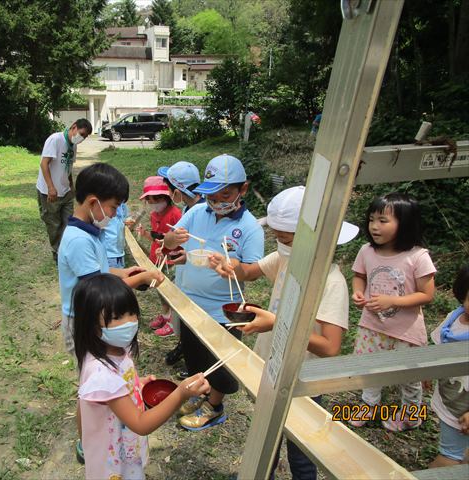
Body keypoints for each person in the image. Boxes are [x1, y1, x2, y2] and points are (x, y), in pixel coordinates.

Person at [212, 186, 358, 479]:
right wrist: (232, 268)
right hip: (275, 366)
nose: (279, 243)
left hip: (303, 378)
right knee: (267, 433)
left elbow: (330, 347)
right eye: (277, 236)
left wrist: (277, 323)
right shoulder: (287, 258)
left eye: (284, 238)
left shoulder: (330, 282)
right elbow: (251, 272)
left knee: (301, 448)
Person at [57, 162, 164, 463]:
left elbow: (101, 273)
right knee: (90, 381)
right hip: (87, 322)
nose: (116, 214)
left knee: (105, 377)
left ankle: (104, 420)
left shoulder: (88, 231)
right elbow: (99, 295)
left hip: (95, 319)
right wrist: (139, 280)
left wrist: (122, 271)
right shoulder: (79, 240)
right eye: (114, 207)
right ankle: (86, 440)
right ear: (93, 203)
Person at [73, 273, 211, 480]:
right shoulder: (101, 374)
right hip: (112, 460)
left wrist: (135, 383)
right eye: (117, 317)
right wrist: (181, 394)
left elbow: (83, 404)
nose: (129, 322)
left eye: (131, 313)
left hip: (121, 443)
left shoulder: (112, 349)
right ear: (91, 324)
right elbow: (141, 423)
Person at [163, 154, 264, 431]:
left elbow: (254, 270)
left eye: (225, 193)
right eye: (211, 194)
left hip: (222, 309)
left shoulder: (249, 228)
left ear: (243, 189)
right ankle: (201, 395)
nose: (217, 201)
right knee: (195, 357)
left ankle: (215, 406)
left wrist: (235, 268)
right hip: (188, 302)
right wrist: (172, 243)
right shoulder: (197, 212)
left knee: (219, 363)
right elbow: (177, 244)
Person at [349, 192, 436, 431]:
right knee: (369, 369)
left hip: (404, 331)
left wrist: (392, 301)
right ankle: (369, 405)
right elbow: (359, 276)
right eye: (371, 220)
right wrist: (358, 292)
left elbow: (427, 295)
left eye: (383, 221)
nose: (374, 227)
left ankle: (411, 415)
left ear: (405, 223)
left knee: (408, 376)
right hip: (372, 326)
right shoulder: (366, 251)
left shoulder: (418, 256)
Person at [157, 161, 204, 367]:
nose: (167, 193)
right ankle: (184, 346)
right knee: (183, 318)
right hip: (186, 272)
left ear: (177, 191)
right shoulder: (188, 207)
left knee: (196, 322)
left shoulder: (202, 211)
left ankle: (194, 358)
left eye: (168, 189)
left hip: (199, 278)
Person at [428, 264, 469, 468]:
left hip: (466, 412)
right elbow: (436, 349)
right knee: (455, 450)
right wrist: (428, 371)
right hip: (451, 400)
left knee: (450, 457)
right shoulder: (453, 320)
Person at [36, 119, 92, 262]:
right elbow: (44, 164)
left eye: (84, 137)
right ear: (73, 127)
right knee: (54, 223)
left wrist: (71, 186)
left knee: (69, 223)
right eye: (82, 134)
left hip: (65, 191)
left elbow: (68, 168)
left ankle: (66, 250)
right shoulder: (55, 139)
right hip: (49, 192)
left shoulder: (73, 146)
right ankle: (57, 252)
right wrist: (51, 187)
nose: (82, 139)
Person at [135, 176, 181, 337]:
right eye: (150, 199)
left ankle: (173, 322)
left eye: (157, 198)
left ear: (167, 197)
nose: (154, 202)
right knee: (160, 290)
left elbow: (180, 242)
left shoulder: (175, 215)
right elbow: (158, 238)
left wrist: (169, 250)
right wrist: (146, 234)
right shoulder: (155, 215)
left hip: (171, 262)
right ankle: (166, 315)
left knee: (170, 291)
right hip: (157, 261)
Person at [101, 202, 129, 268]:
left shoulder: (122, 205)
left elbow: (124, 219)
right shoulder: (104, 208)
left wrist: (125, 221)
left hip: (120, 252)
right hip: (108, 254)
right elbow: (100, 225)